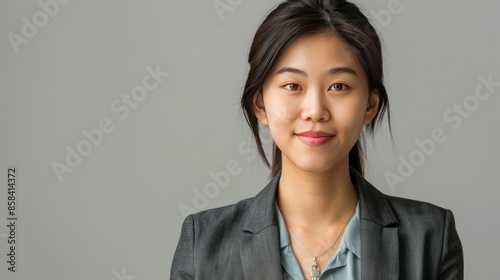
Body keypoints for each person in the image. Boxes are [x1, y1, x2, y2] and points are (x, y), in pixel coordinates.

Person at [170, 0, 464, 279]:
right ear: (260, 104)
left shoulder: (430, 238)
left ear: (370, 106)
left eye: (338, 86)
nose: (315, 111)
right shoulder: (204, 244)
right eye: (292, 85)